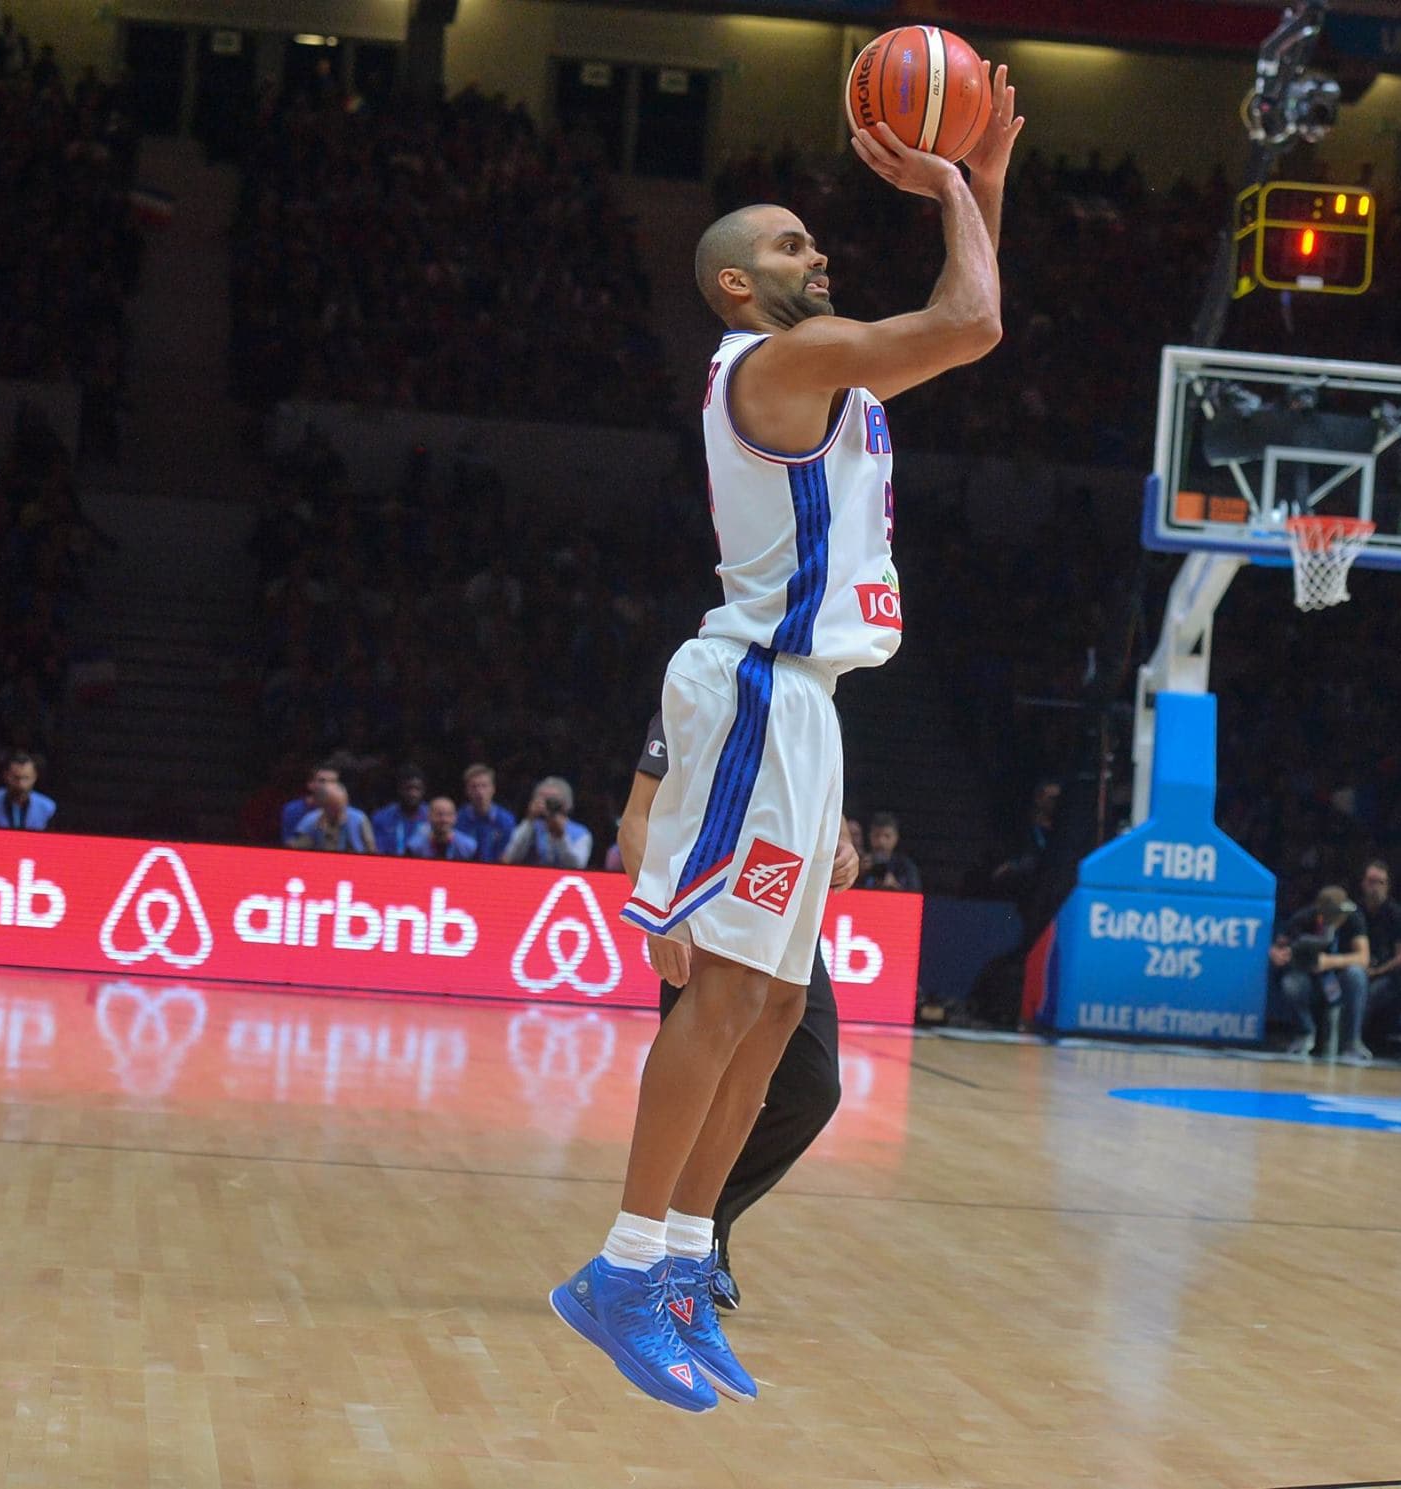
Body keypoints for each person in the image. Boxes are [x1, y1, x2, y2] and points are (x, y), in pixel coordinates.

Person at [549, 72, 1016, 1415]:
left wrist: (984, 173)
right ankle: (625, 1265)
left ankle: (685, 1260)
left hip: (805, 703)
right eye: (787, 244)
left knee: (774, 1003)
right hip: (754, 689)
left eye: (814, 239)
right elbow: (973, 321)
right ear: (736, 290)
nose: (815, 251)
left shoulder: (822, 365)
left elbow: (965, 305)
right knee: (724, 999)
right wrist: (943, 186)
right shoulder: (778, 360)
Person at [617, 711, 851, 1312]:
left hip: (782, 922)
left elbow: (826, 825)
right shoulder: (704, 687)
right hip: (707, 915)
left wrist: (842, 850)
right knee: (702, 1091)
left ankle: (703, 1214)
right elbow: (638, 819)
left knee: (814, 1088)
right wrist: (660, 909)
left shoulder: (810, 703)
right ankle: (655, 1249)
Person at [1269, 885, 1373, 1062]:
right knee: (1291, 984)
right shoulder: (1302, 919)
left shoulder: (1353, 915)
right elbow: (1279, 947)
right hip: (1308, 978)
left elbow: (1363, 958)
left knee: (1356, 974)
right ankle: (1305, 1033)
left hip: (1339, 977)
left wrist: (1329, 962)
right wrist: (1277, 953)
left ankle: (1352, 1042)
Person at [1357, 860, 1401, 1052]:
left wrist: (1376, 971)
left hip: (1388, 975)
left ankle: (1355, 1040)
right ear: (1363, 883)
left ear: (1387, 886)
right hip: (1357, 968)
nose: (1374, 887)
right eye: (1371, 881)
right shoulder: (1355, 912)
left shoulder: (1398, 915)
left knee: (1370, 992)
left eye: (1380, 882)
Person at [502, 777, 594, 869]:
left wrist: (561, 837)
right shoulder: (531, 827)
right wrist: (529, 820)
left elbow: (577, 867)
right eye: (542, 799)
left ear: (566, 804)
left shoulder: (581, 834)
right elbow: (508, 858)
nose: (547, 805)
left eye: (552, 800)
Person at [287, 782, 375, 852]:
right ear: (323, 806)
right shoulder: (310, 821)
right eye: (335, 808)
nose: (341, 812)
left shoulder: (359, 819)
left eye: (343, 806)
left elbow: (371, 850)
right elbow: (296, 849)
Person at [457, 763, 518, 863]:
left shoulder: (506, 820)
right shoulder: (459, 818)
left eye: (484, 786)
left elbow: (507, 855)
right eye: (474, 787)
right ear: (467, 790)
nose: (479, 792)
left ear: (493, 789)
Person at [856, 810, 922, 892]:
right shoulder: (859, 862)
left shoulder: (906, 867)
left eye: (887, 836)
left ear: (896, 838)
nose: (881, 841)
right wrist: (858, 874)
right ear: (870, 836)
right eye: (876, 835)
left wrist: (895, 887)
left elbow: (915, 895)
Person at [372, 765, 429, 857]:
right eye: (409, 788)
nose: (413, 794)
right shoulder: (382, 818)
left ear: (423, 791)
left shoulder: (431, 818)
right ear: (399, 789)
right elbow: (378, 853)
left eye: (417, 789)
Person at [280, 761, 340, 841]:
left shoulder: (351, 815)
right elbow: (290, 845)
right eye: (322, 781)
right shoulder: (293, 809)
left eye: (333, 782)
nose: (328, 786)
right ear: (310, 784)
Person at [0, 749, 55, 830]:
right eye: (15, 778)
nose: (21, 784)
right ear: (6, 776)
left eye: (26, 778)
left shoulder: (47, 807)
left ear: (35, 777)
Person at [410, 796, 477, 861]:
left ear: (455, 817)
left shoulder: (469, 847)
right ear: (429, 816)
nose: (444, 819)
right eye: (439, 814)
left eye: (448, 814)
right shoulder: (415, 847)